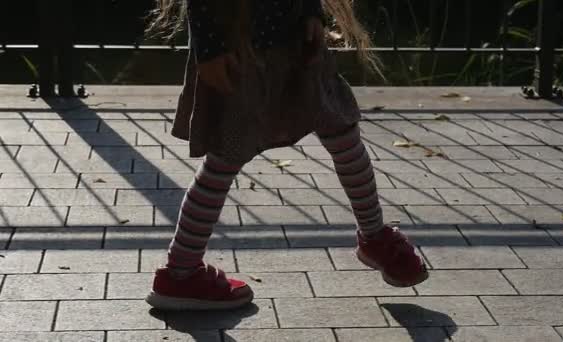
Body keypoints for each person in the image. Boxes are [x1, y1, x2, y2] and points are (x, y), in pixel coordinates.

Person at [145, 0, 428, 311]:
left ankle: (374, 235)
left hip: (298, 48)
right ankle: (180, 272)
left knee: (343, 133)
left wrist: (311, 13)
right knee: (224, 159)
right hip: (242, 53)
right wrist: (210, 50)